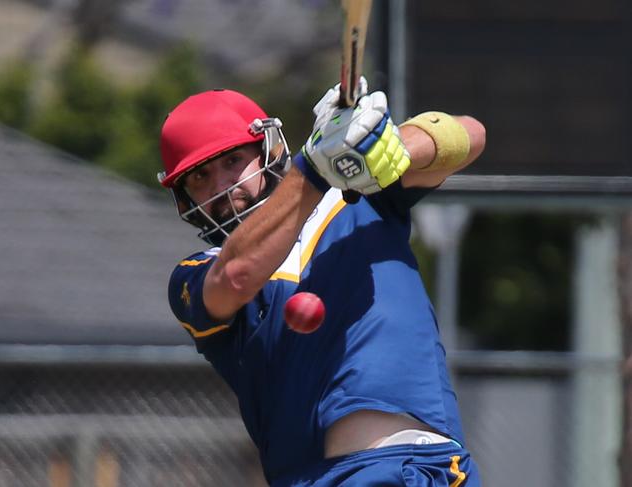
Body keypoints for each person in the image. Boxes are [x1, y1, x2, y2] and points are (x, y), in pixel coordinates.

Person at [158, 81, 486, 486]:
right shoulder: (197, 272)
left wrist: (380, 144)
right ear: (185, 197)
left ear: (268, 147)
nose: (221, 187)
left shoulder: (356, 196)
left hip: (433, 467)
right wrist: (314, 167)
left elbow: (471, 135)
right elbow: (237, 275)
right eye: (200, 177)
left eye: (232, 161)